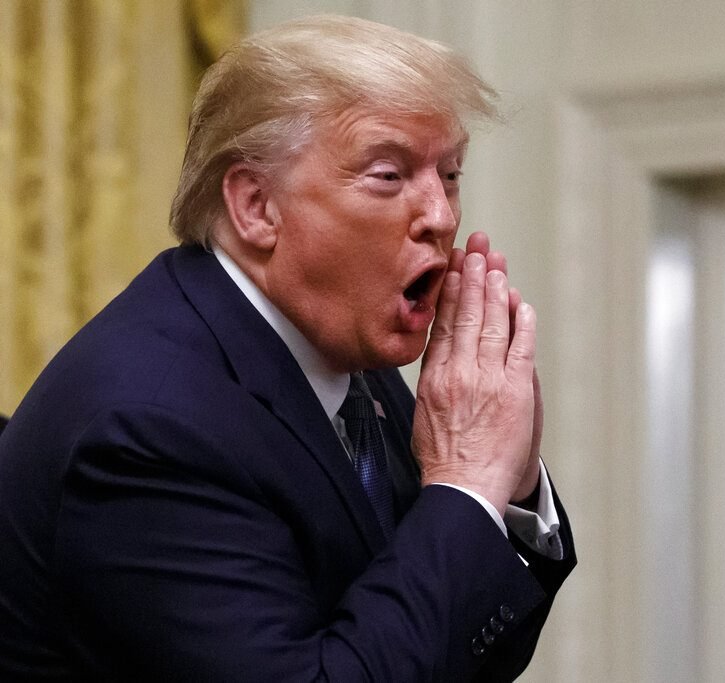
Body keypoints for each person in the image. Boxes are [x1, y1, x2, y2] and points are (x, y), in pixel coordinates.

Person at [0, 15, 575, 681]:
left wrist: (507, 483)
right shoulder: (150, 428)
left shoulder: (345, 358)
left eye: (448, 174)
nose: (442, 215)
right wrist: (465, 486)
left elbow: (445, 649)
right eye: (389, 175)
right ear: (256, 207)